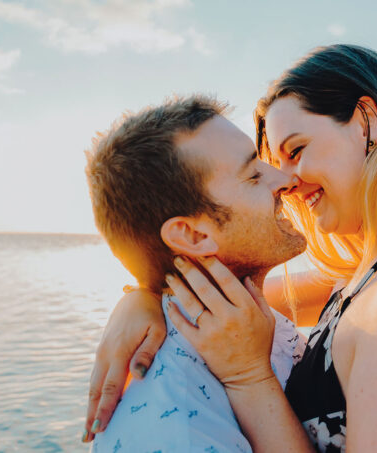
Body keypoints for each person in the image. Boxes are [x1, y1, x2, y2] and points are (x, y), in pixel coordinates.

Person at [85, 44, 377, 452]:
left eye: (296, 151)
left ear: (367, 122)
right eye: (266, 167)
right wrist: (142, 298)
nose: (286, 182)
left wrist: (250, 378)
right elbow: (222, 299)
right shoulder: (369, 278)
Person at [82, 95, 308, 450]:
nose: (284, 179)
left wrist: (143, 295)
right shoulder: (177, 425)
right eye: (253, 175)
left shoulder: (249, 320)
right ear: (193, 235)